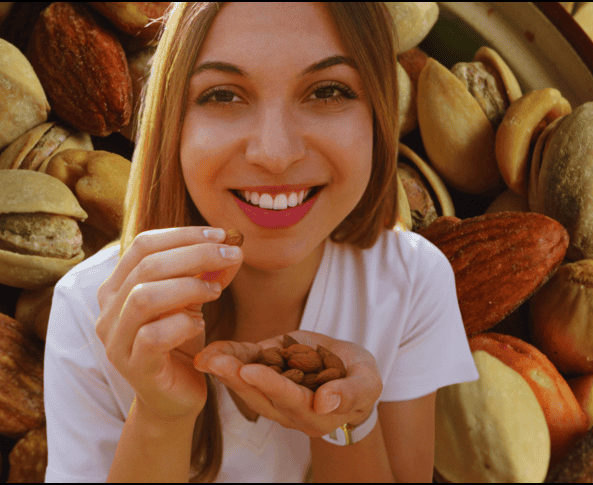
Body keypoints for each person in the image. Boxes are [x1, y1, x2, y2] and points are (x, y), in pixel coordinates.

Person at [43, 2, 478, 482]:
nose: (275, 153)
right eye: (224, 95)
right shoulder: (89, 307)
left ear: (378, 116)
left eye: (328, 91)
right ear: (174, 122)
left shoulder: (412, 282)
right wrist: (161, 414)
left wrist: (346, 422)